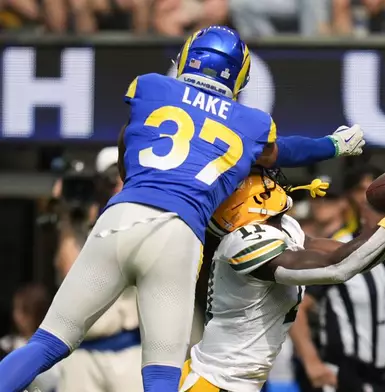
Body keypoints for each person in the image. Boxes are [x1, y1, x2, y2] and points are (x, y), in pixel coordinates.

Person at [0, 26, 365, 392]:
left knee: (47, 343)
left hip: (122, 216)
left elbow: (130, 144)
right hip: (178, 233)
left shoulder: (152, 87)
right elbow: (283, 151)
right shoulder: (251, 122)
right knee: (161, 375)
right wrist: (333, 145)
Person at [179, 166, 385, 392]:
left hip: (239, 382)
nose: (270, 181)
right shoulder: (241, 243)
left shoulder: (285, 228)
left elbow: (349, 256)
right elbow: (337, 267)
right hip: (214, 383)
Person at [290, 167, 385, 392]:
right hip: (343, 375)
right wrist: (312, 362)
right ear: (363, 212)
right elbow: (297, 308)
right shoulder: (337, 249)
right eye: (381, 210)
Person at [54, 147, 143, 392]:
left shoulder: (144, 215)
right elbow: (71, 274)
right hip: (81, 351)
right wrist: (68, 215)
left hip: (128, 350)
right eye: (110, 177)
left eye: (123, 175)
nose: (116, 183)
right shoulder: (82, 223)